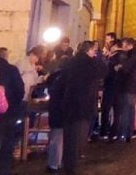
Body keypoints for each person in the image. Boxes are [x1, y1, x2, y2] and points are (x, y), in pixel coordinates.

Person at [51, 41, 107, 175]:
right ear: (89, 51)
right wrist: (99, 57)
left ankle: (67, 163)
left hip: (68, 104)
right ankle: (71, 166)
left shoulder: (71, 61)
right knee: (78, 138)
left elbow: (61, 80)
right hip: (83, 105)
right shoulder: (90, 62)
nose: (94, 53)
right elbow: (104, 71)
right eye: (94, 51)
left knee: (69, 136)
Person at [0, 47, 24, 174]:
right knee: (7, 142)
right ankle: (4, 169)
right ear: (6, 57)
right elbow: (20, 90)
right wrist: (14, 104)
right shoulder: (12, 70)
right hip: (9, 111)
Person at [115, 38, 136, 142]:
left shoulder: (132, 55)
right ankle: (129, 133)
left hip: (128, 87)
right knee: (130, 110)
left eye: (124, 45)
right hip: (133, 87)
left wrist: (119, 67)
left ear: (129, 45)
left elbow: (126, 68)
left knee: (126, 110)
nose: (123, 46)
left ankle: (123, 134)